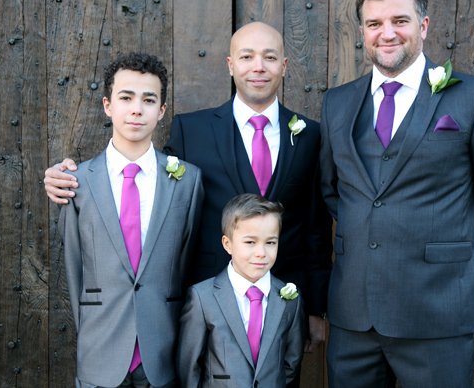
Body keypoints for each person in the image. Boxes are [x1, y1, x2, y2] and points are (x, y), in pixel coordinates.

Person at [45, 22, 332, 357]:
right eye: (247, 56)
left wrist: (315, 307)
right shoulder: (192, 128)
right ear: (230, 65)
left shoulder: (310, 135)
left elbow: (317, 226)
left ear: (283, 66)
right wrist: (70, 176)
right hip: (207, 300)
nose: (258, 66)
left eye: (269, 57)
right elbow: (146, 177)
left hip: (284, 299)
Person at [319, 0, 474, 388]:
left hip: (435, 308)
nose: (387, 33)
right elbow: (332, 190)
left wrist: (454, 255)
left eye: (400, 20)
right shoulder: (337, 102)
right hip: (352, 315)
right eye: (375, 24)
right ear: (362, 32)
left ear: (424, 26)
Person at [58, 53, 204, 388]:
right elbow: (74, 268)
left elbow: (184, 263)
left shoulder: (187, 181)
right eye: (126, 97)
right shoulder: (77, 183)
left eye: (148, 100)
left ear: (162, 110)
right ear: (108, 105)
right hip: (100, 351)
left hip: (162, 351)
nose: (137, 109)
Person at [178, 193, 306, 388]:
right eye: (250, 242)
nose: (261, 253)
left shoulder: (290, 300)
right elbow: (189, 367)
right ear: (227, 244)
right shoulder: (202, 298)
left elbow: (291, 362)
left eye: (270, 242)